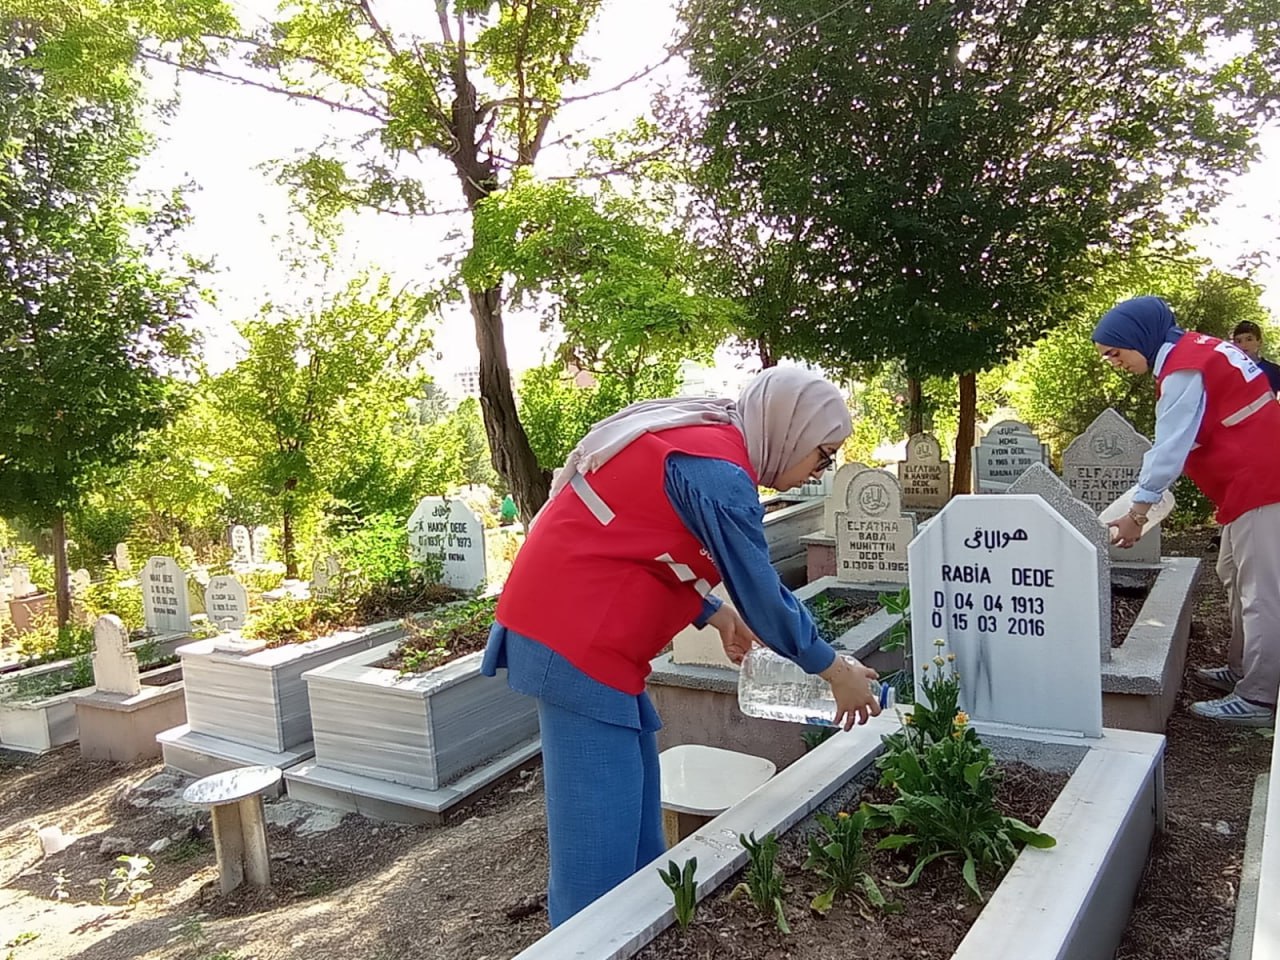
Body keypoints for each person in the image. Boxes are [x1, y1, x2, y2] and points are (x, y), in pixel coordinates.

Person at [480, 367, 882, 926]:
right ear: (791, 429)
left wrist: (713, 614)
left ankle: (628, 935)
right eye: (824, 452)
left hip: (589, 643)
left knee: (638, 824)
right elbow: (763, 593)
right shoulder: (718, 468)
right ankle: (582, 941)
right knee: (598, 851)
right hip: (574, 645)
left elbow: (639, 541)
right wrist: (833, 670)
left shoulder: (708, 442)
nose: (824, 467)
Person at [1093, 296, 1280, 726]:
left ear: (1137, 338)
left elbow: (1170, 448)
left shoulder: (1184, 368)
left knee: (1261, 591)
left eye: (1115, 352)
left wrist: (1137, 513)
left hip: (1262, 481)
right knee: (1232, 574)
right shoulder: (1199, 349)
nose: (1112, 362)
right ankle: (1243, 670)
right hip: (1247, 483)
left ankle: (1260, 697)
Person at [1231, 320, 1280, 396]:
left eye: (1249, 339)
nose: (1244, 345)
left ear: (1259, 342)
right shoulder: (1229, 370)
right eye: (1239, 341)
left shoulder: (1273, 370)